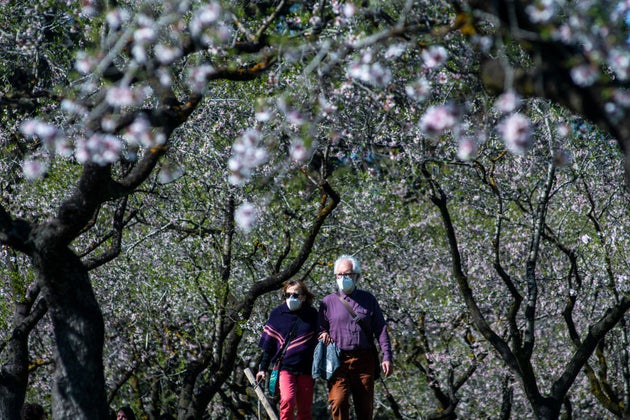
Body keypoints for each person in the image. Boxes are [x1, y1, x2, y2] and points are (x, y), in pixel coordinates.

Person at [318, 255, 393, 420]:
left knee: (365, 409)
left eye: (348, 274)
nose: (343, 278)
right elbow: (320, 327)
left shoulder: (368, 299)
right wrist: (322, 333)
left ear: (356, 276)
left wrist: (386, 356)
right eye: (339, 275)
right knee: (338, 401)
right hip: (337, 360)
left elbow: (380, 328)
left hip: (364, 360)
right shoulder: (327, 302)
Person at [256, 280, 319, 420]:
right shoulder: (277, 314)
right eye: (287, 295)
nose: (291, 298)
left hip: (307, 368)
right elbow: (269, 345)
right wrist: (262, 368)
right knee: (287, 401)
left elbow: (320, 339)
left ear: (303, 297)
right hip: (285, 367)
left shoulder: (312, 314)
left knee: (305, 408)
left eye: (295, 295)